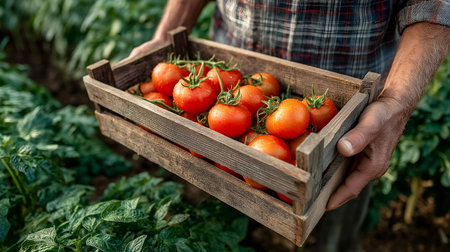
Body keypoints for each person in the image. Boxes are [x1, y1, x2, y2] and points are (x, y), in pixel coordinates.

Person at [129, 0, 450, 251]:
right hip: (232, 87)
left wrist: (396, 102)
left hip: (352, 110)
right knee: (223, 210)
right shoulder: (226, 97)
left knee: (335, 211)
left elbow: (435, 4)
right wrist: (163, 38)